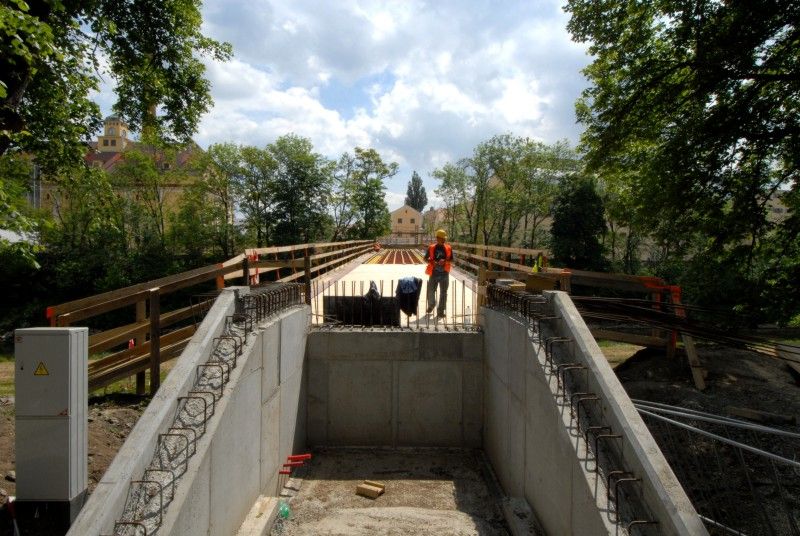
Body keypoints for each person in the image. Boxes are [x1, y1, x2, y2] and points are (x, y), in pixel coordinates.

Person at [424, 229, 454, 318]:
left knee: (443, 293)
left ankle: (440, 311)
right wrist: (432, 262)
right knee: (431, 290)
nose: (444, 240)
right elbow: (425, 258)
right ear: (437, 238)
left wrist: (444, 261)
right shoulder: (431, 247)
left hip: (444, 273)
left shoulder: (448, 247)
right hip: (433, 273)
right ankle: (431, 305)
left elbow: (452, 259)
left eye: (444, 238)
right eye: (442, 238)